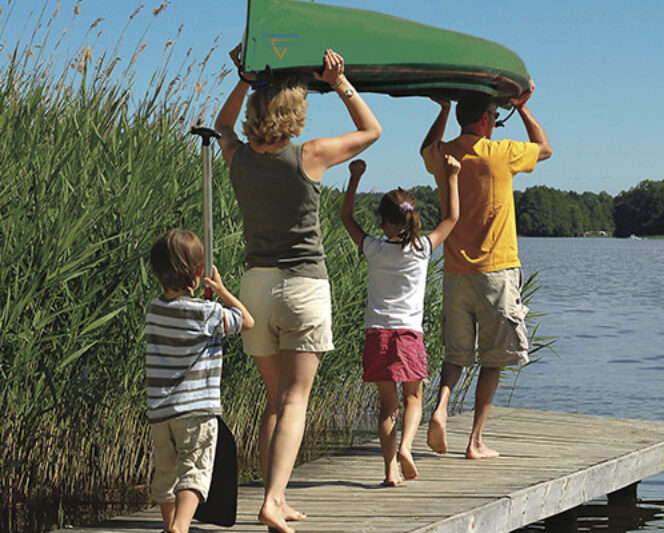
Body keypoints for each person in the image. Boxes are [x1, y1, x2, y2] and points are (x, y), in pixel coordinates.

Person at [215, 45, 381, 533]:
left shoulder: (238, 156)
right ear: (296, 112)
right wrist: (340, 82)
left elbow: (222, 126)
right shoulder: (309, 154)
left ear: (255, 110)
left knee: (275, 400)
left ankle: (278, 497)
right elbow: (372, 131)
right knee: (294, 400)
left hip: (255, 288)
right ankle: (271, 500)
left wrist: (244, 79)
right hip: (303, 286)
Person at [420, 81, 552, 459]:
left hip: (455, 274)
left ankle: (442, 407)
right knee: (493, 359)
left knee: (455, 355)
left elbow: (425, 149)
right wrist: (523, 108)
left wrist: (442, 111)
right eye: (495, 116)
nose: (496, 122)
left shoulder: (445, 156)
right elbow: (545, 148)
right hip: (496, 273)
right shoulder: (500, 153)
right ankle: (475, 441)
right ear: (484, 119)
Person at [340, 157, 460, 486]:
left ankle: (390, 469)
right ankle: (407, 447)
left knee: (387, 406)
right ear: (410, 218)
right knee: (414, 399)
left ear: (383, 221)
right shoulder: (422, 248)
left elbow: (346, 216)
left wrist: (354, 177)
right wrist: (451, 175)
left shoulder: (373, 248)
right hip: (408, 335)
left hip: (377, 334)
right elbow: (452, 217)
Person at [145, 229, 254, 533]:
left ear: (157, 271)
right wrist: (221, 291)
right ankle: (180, 526)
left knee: (166, 472)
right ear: (198, 274)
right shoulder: (205, 313)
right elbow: (247, 321)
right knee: (193, 470)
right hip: (196, 411)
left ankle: (169, 525)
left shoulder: (154, 311)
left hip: (160, 411)